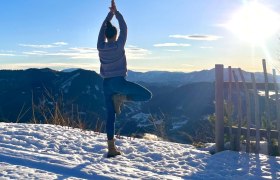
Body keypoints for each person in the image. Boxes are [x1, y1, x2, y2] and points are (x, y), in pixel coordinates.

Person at [97, 0, 152, 158]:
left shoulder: (100, 46)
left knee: (110, 116)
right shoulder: (119, 45)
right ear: (115, 35)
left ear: (106, 36)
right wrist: (116, 13)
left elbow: (102, 29)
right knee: (146, 95)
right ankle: (121, 97)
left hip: (106, 84)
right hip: (119, 82)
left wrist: (109, 16)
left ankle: (111, 148)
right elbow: (125, 28)